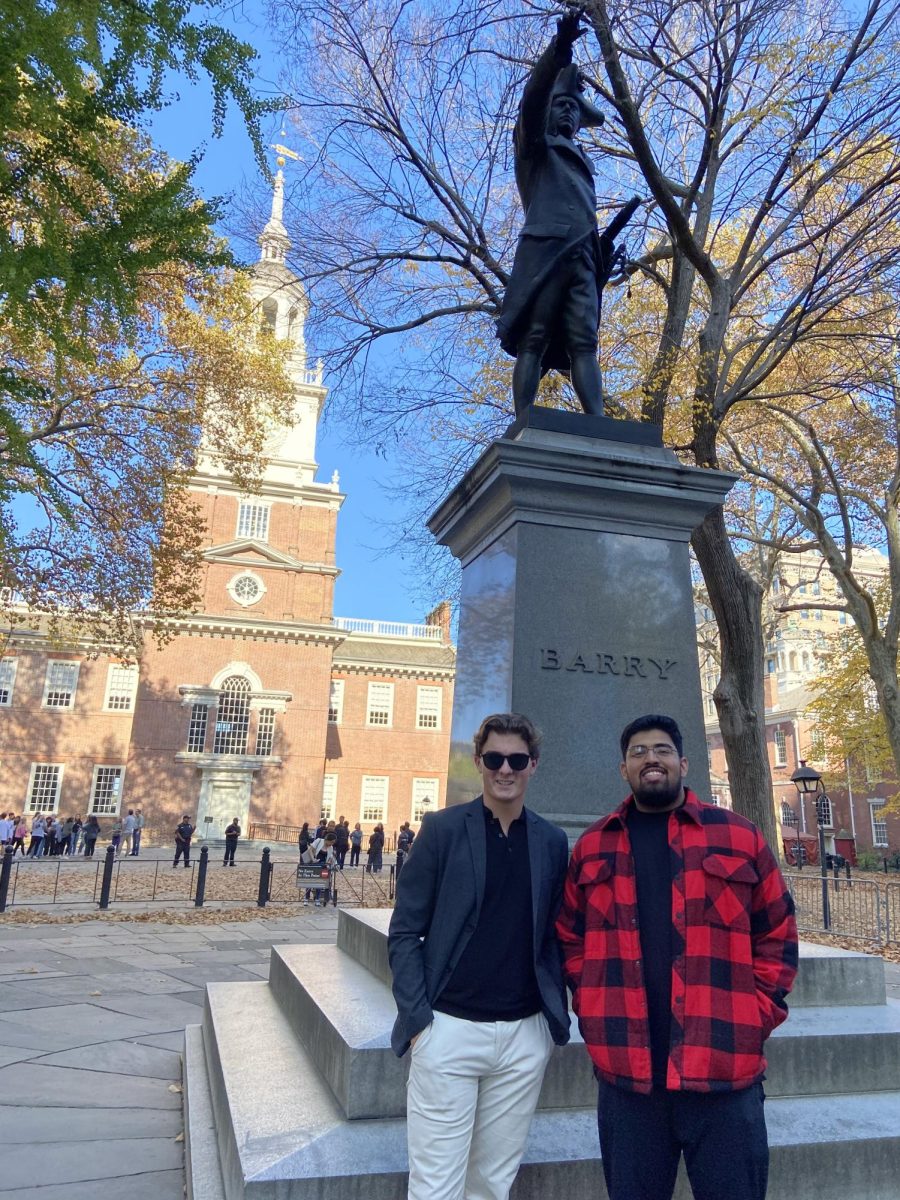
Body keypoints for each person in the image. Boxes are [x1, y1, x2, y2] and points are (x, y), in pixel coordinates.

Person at [556, 714, 799, 1200]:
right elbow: (570, 937)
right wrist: (594, 1007)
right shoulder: (592, 847)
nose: (651, 759)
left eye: (662, 750)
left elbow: (777, 931)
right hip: (630, 1081)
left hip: (724, 1070)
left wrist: (755, 1015)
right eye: (639, 751)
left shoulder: (739, 836)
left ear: (683, 763)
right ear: (623, 769)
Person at [388, 711, 570, 1200]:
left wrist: (554, 1018)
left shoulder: (552, 842)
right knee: (435, 1187)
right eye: (494, 759)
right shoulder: (443, 830)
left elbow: (555, 937)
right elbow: (405, 931)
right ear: (478, 762)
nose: (504, 769)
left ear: (533, 765)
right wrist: (419, 1018)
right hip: (448, 1029)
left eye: (516, 759)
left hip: (523, 1037)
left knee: (492, 1184)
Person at [495, 8, 640, 418]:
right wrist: (559, 49)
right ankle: (524, 421)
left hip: (583, 257)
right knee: (535, 339)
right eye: (561, 105)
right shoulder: (534, 149)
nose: (567, 113)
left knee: (584, 343)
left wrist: (602, 245)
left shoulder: (583, 163)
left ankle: (598, 422)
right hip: (546, 250)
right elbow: (532, 99)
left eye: (574, 109)